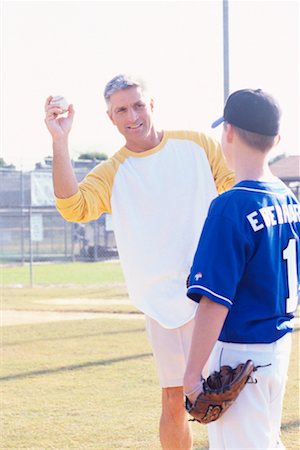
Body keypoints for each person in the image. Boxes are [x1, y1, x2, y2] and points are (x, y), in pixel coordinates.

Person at [44, 74, 234, 450]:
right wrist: (59, 140)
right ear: (110, 118)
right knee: (176, 402)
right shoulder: (113, 171)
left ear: (152, 105)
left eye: (137, 105)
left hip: (214, 293)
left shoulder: (197, 145)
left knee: (230, 397)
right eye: (121, 110)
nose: (132, 115)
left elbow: (233, 191)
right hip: (162, 305)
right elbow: (73, 206)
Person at [184, 88, 300, 449]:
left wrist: (191, 376)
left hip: (239, 353)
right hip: (278, 347)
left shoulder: (230, 206)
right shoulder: (288, 199)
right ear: (276, 139)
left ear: (229, 132)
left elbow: (215, 301)